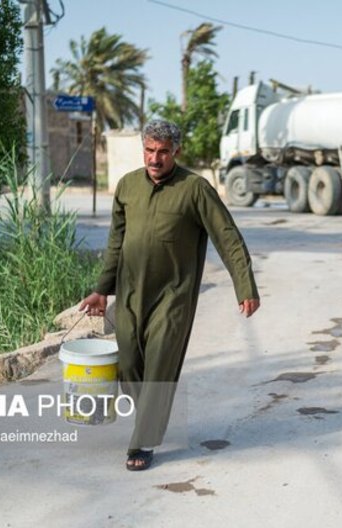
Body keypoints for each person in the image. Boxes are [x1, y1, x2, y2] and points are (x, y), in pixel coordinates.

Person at [79, 120, 260, 470]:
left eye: (162, 151)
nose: (155, 158)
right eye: (149, 150)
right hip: (130, 292)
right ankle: (150, 414)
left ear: (175, 151)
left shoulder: (195, 188)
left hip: (173, 295)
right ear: (143, 149)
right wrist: (102, 290)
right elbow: (116, 242)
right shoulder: (128, 186)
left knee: (160, 363)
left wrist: (245, 285)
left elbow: (228, 237)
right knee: (129, 362)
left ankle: (142, 442)